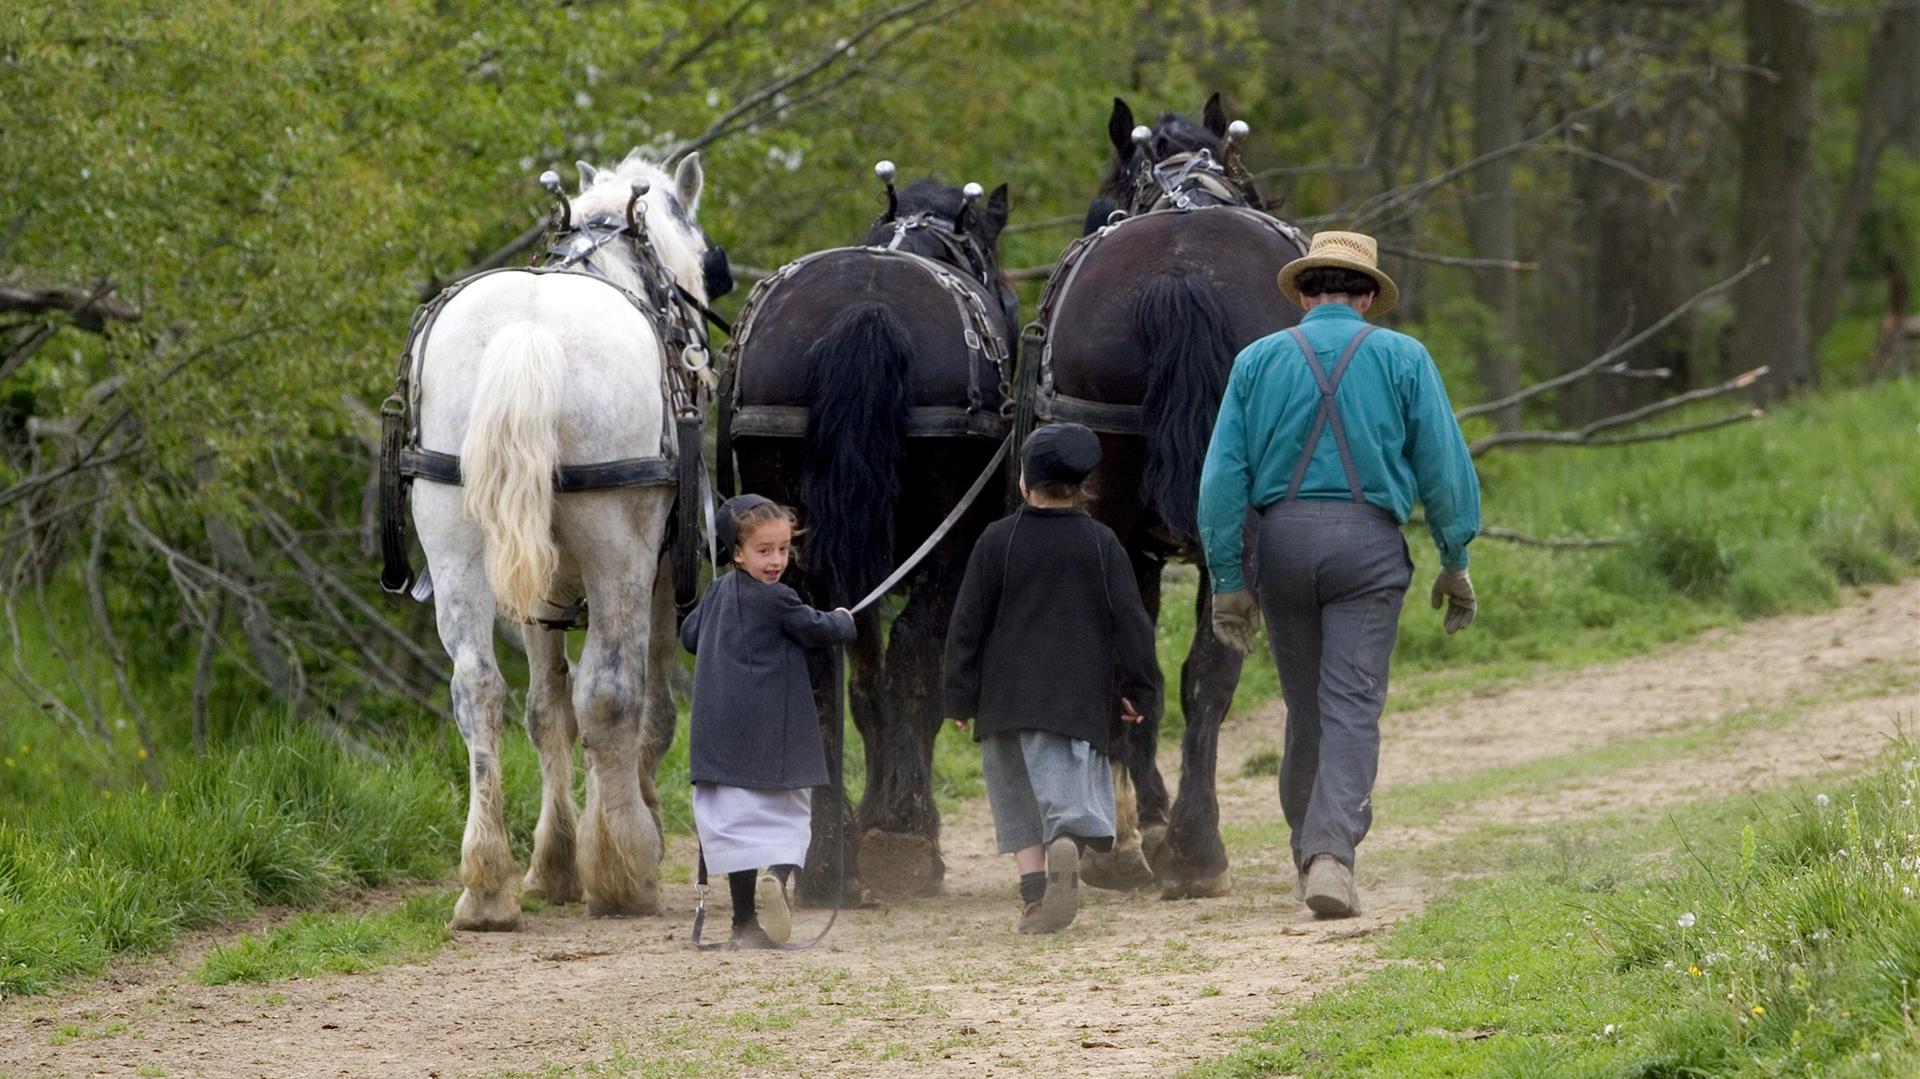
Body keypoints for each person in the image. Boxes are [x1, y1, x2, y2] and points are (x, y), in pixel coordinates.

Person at [1197, 230, 1481, 918]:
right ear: (1368, 298)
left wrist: (1230, 577)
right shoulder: (1404, 357)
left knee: (1306, 708)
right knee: (1352, 704)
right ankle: (1331, 854)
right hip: (1368, 548)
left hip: (1283, 549)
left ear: (1301, 293)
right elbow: (1444, 469)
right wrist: (1455, 558)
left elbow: (1221, 480)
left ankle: (1308, 849)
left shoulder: (1258, 361)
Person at [944, 422, 1163, 934]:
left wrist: (958, 694)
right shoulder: (1102, 543)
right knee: (1066, 790)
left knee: (1016, 799)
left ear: (1024, 481)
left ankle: (1035, 897)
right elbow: (1132, 622)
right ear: (1085, 484)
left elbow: (966, 623)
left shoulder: (996, 540)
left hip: (1003, 701)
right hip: (1075, 700)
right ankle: (1067, 839)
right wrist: (1138, 689)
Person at [680, 494, 856, 948]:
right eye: (764, 550)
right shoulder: (780, 599)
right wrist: (844, 620)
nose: (777, 560)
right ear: (737, 552)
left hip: (721, 742)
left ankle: (743, 925)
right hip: (775, 741)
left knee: (736, 831)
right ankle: (777, 877)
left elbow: (689, 635)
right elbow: (819, 630)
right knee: (789, 820)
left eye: (783, 549)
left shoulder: (717, 592)